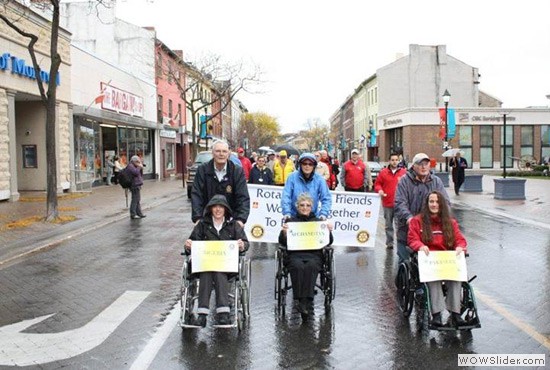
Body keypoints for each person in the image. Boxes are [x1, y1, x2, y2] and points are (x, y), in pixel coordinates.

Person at [184, 195, 249, 327]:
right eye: (215, 207)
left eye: (221, 207)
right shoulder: (202, 225)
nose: (218, 210)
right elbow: (192, 244)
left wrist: (242, 245)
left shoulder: (234, 226)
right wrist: (188, 245)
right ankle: (202, 315)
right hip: (206, 265)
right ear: (210, 209)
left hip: (226, 266)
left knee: (219, 272)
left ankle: (223, 313)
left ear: (225, 209)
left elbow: (246, 243)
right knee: (206, 273)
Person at [407, 191, 468, 327]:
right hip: (430, 261)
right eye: (431, 202)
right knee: (433, 280)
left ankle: (455, 313)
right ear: (427, 204)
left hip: (446, 260)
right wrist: (421, 246)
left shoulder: (450, 223)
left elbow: (460, 240)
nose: (434, 204)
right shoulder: (417, 221)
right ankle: (436, 315)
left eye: (437, 202)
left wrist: (460, 248)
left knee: (456, 279)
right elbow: (412, 239)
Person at [278, 193, 334, 319]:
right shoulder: (291, 222)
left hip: (313, 254)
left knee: (311, 266)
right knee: (297, 266)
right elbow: (282, 242)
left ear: (312, 207)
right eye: (302, 205)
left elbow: (329, 242)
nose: (305, 208)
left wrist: (328, 231)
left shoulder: (318, 222)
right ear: (297, 207)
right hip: (295, 254)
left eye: (308, 205)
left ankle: (305, 301)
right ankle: (300, 299)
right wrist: (284, 233)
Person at [394, 153, 449, 263]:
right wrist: (409, 218)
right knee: (405, 261)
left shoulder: (436, 181)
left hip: (431, 229)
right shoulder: (405, 181)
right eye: (420, 164)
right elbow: (400, 203)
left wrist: (443, 217)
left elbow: (445, 202)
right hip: (407, 229)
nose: (423, 167)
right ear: (414, 166)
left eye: (426, 164)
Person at [191, 140, 250, 227]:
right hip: (207, 222)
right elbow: (197, 195)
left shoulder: (237, 171)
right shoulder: (202, 170)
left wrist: (241, 219)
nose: (221, 154)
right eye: (218, 151)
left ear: (228, 153)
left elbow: (243, 197)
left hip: (232, 221)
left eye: (224, 151)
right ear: (212, 153)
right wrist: (198, 218)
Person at [281, 152, 332, 220]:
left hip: (313, 217)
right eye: (304, 164)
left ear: (314, 166)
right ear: (300, 165)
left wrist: (323, 214)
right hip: (294, 217)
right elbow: (286, 196)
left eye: (310, 164)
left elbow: (326, 198)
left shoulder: (320, 179)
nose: (307, 166)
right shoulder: (291, 177)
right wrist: (287, 213)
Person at [374, 153, 407, 249]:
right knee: (388, 225)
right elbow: (377, 184)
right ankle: (390, 242)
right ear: (389, 161)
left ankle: (400, 243)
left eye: (396, 160)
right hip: (387, 203)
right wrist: (379, 190)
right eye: (392, 160)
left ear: (399, 161)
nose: (394, 162)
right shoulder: (383, 172)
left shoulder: (404, 173)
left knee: (399, 225)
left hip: (400, 204)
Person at [127, 155, 146, 219]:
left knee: (138, 200)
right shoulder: (130, 166)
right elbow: (136, 173)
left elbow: (139, 174)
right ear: (133, 161)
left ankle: (139, 213)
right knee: (134, 200)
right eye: (137, 162)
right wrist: (139, 167)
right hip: (134, 185)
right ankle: (133, 214)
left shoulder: (134, 166)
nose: (138, 163)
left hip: (137, 184)